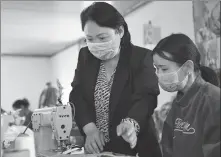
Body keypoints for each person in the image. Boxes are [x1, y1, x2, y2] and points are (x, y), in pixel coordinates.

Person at [69, 2, 161, 157]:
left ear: (120, 31)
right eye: (89, 39)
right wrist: (89, 129)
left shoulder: (141, 57)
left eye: (102, 37)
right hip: (98, 149)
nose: (96, 44)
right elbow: (76, 95)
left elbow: (146, 97)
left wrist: (132, 123)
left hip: (135, 148)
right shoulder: (85, 57)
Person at [152, 33, 220, 157]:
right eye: (156, 68)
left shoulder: (214, 101)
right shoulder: (179, 101)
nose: (158, 74)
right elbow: (167, 148)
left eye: (164, 69)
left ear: (188, 67)